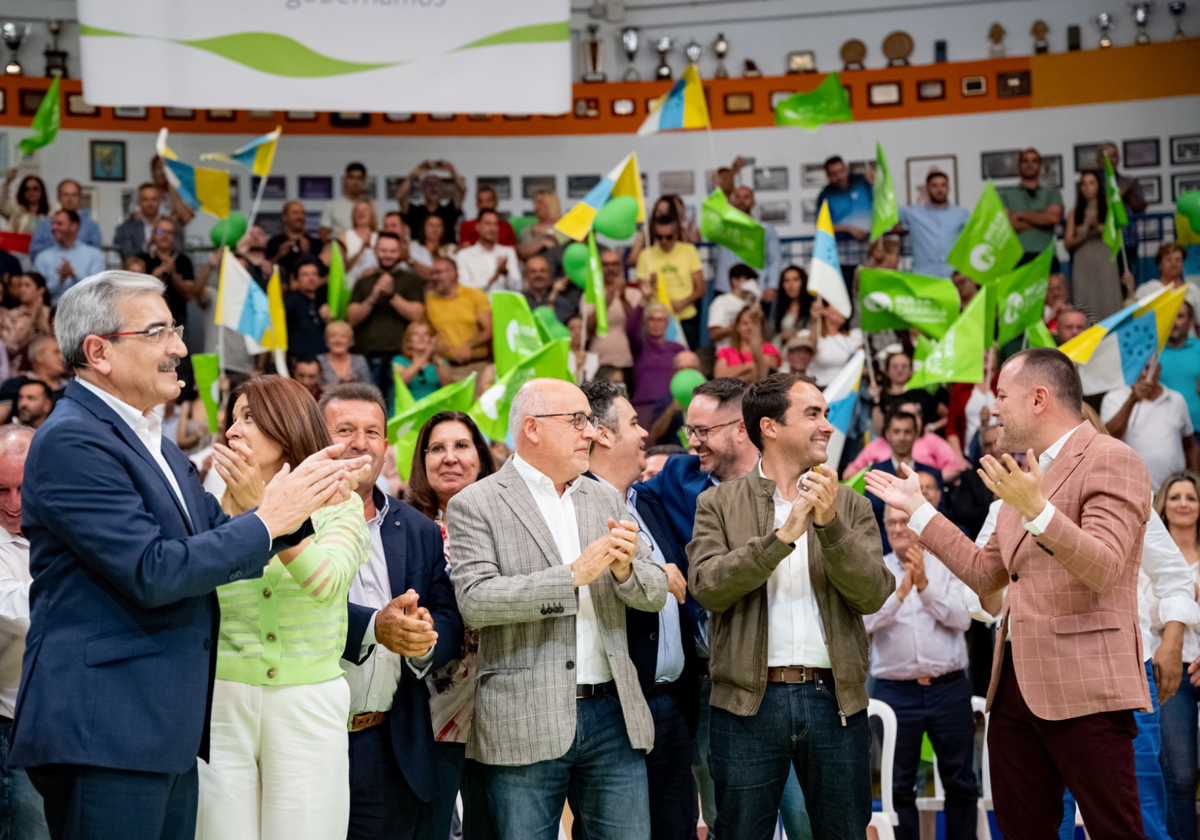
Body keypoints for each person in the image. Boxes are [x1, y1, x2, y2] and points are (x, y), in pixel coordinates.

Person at [12, 271, 364, 839]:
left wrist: (290, 509)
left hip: (165, 728)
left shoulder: (156, 446)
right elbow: (153, 570)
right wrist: (273, 516)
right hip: (108, 725)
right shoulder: (75, 439)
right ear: (99, 351)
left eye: (176, 329)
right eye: (159, 332)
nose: (179, 347)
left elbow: (219, 536)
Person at [865, 347, 1155, 840]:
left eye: (1002, 395)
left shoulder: (1112, 458)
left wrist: (1037, 510)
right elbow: (984, 573)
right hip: (1013, 689)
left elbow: (1104, 568)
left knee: (1116, 831)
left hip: (1086, 688)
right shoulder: (1022, 478)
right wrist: (919, 511)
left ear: (1039, 398)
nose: (993, 408)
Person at [446, 378, 668, 840]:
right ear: (533, 428)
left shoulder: (604, 496)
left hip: (612, 713)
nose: (591, 432)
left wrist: (627, 571)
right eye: (578, 421)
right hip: (524, 713)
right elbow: (475, 600)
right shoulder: (477, 503)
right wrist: (570, 577)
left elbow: (652, 593)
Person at [689, 372, 893, 840]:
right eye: (814, 414)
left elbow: (873, 593)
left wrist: (831, 528)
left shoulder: (851, 506)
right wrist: (781, 539)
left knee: (842, 832)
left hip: (835, 703)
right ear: (770, 427)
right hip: (745, 706)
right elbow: (708, 586)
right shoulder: (717, 503)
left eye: (825, 414)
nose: (828, 426)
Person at [197, 376, 373, 840]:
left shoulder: (340, 506)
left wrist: (265, 511)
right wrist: (247, 512)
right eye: (232, 419)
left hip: (308, 701)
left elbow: (327, 582)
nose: (234, 430)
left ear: (287, 426)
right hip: (221, 702)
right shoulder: (207, 512)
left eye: (250, 418)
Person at [318, 386, 463, 840]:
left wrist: (424, 639)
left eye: (373, 432)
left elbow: (447, 612)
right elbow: (297, 608)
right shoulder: (292, 518)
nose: (361, 442)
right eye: (345, 430)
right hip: (311, 737)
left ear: (386, 446)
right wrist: (373, 628)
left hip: (391, 742)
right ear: (316, 438)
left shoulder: (417, 527)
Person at [633, 377, 760, 834]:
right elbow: (615, 494)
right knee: (726, 811)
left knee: (802, 812)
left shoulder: (788, 484)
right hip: (710, 678)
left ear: (741, 428)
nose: (694, 441)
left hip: (781, 675)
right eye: (691, 430)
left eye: (703, 430)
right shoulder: (676, 477)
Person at [582, 381, 702, 840]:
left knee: (677, 830)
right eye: (633, 422)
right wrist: (655, 573)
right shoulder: (576, 508)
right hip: (619, 710)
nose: (644, 434)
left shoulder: (645, 501)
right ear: (603, 435)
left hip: (673, 703)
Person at [401, 410, 494, 840]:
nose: (449, 457)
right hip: (429, 708)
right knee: (430, 828)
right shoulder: (403, 527)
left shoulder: (507, 523)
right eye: (436, 448)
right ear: (421, 461)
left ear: (481, 455)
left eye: (461, 446)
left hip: (502, 701)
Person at [864, 507, 977, 840]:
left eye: (904, 522)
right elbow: (864, 623)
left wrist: (925, 587)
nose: (897, 529)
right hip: (895, 693)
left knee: (961, 782)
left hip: (949, 688)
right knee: (899, 786)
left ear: (919, 527)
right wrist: (901, 593)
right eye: (891, 524)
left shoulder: (948, 566)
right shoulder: (877, 568)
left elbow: (964, 619)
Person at [0, 425, 49, 840]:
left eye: (23, 487)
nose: (14, 504)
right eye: (1, 490)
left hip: (79, 720)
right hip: (16, 723)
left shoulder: (68, 521)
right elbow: (20, 610)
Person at [1149, 471, 1200, 840]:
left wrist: (1178, 601)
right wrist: (1187, 596)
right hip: (1171, 671)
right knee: (1180, 775)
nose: (1183, 503)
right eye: (1176, 497)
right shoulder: (1151, 553)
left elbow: (1166, 607)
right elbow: (1149, 612)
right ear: (1163, 506)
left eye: (1192, 497)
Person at [348, 232, 426, 408]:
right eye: (383, 250)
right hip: (367, 358)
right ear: (375, 251)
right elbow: (352, 318)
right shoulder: (364, 282)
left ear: (400, 252)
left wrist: (391, 295)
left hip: (400, 359)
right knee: (368, 409)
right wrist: (373, 297)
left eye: (392, 251)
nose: (387, 255)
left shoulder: (412, 280)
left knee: (395, 410)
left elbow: (417, 315)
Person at [1102, 358, 1199, 490]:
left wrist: (1195, 483)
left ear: (1159, 369)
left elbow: (1190, 446)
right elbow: (1108, 437)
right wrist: (1132, 400)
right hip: (1130, 489)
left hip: (1171, 492)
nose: (1143, 373)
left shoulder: (1177, 400)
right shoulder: (1113, 398)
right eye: (1138, 367)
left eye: (1148, 368)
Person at [865, 408, 943, 553]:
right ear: (887, 434)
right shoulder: (875, 472)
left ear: (916, 434)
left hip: (927, 548)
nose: (902, 437)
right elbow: (871, 516)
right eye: (896, 431)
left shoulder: (933, 473)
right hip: (884, 548)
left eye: (907, 432)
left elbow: (940, 514)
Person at [635, 199, 705, 348]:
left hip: (686, 317)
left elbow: (701, 288)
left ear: (676, 234)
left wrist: (684, 302)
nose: (664, 241)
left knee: (687, 360)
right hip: (657, 320)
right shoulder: (645, 255)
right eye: (659, 237)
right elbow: (641, 291)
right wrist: (649, 285)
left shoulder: (688, 250)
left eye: (669, 237)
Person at [1065, 171, 1126, 320]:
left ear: (1099, 186)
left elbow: (1117, 237)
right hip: (1083, 264)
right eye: (1084, 184)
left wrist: (1098, 227)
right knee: (1085, 302)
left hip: (1105, 262)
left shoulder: (1109, 210)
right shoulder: (1074, 213)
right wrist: (1086, 232)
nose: (1088, 187)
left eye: (1092, 183)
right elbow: (1068, 244)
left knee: (1108, 300)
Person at [425, 257, 493, 382]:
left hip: (476, 366)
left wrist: (470, 344)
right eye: (432, 273)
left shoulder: (474, 294)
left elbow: (489, 329)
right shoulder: (430, 299)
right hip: (445, 369)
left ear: (454, 273)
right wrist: (436, 353)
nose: (434, 277)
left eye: (439, 273)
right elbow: (426, 332)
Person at [897, 170, 970, 278]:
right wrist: (878, 186)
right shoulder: (914, 213)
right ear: (927, 189)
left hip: (953, 278)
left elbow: (976, 235)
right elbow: (888, 209)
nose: (939, 190)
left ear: (948, 188)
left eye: (943, 185)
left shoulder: (961, 214)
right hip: (923, 278)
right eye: (934, 186)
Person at [713, 187, 781, 301]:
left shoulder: (765, 229)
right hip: (726, 288)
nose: (741, 201)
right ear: (732, 202)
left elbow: (774, 259)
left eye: (746, 197)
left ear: (753, 202)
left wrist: (772, 285)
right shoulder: (721, 228)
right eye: (737, 197)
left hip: (756, 288)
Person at [998, 148, 1064, 263]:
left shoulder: (1052, 192)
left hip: (1046, 254)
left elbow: (1053, 218)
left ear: (1040, 166)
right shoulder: (1006, 195)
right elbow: (1008, 226)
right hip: (1017, 257)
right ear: (1019, 166)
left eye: (1034, 161)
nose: (1030, 165)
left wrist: (1020, 214)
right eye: (1025, 161)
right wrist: (1042, 219)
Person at [627, 302, 686, 427]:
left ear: (667, 323)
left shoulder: (678, 349)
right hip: (644, 407)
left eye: (661, 320)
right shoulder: (640, 346)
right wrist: (642, 300)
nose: (656, 324)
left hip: (670, 407)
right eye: (652, 319)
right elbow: (631, 329)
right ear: (645, 322)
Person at [33, 210, 104, 306]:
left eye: (59, 224)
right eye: (53, 223)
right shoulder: (43, 257)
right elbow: (36, 293)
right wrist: (59, 281)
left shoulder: (94, 255)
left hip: (86, 311)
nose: (54, 228)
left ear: (74, 226)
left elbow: (98, 289)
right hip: (52, 312)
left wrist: (74, 274)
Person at [816, 156, 873, 273]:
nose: (839, 177)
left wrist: (876, 180)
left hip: (870, 252)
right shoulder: (825, 195)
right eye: (833, 174)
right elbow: (821, 225)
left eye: (841, 171)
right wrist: (849, 229)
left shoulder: (862, 181)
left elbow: (880, 201)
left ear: (846, 169)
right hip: (843, 255)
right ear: (827, 176)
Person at [587, 247, 640, 371]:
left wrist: (623, 298)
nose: (610, 268)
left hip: (626, 359)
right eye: (605, 264)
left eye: (614, 264)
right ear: (600, 267)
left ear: (621, 266)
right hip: (598, 360)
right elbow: (588, 327)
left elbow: (636, 326)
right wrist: (607, 299)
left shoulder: (634, 293)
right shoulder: (590, 294)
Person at [144, 218, 201, 332]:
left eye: (169, 232)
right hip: (148, 319)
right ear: (153, 234)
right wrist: (154, 276)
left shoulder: (184, 261)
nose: (165, 235)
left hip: (177, 319)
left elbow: (189, 294)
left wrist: (173, 273)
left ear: (175, 237)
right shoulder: (143, 260)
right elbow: (137, 292)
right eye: (160, 231)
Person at [27, 180, 102, 261]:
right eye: (65, 195)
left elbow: (95, 255)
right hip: (49, 270)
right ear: (59, 198)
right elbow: (35, 252)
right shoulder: (44, 224)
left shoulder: (91, 226)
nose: (70, 199)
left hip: (82, 272)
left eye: (74, 195)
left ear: (79, 198)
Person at [455, 209, 522, 294]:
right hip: (476, 306)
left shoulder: (508, 252)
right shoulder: (463, 255)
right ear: (478, 226)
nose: (492, 228)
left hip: (503, 305)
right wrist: (491, 280)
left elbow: (518, 288)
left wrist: (506, 273)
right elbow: (464, 288)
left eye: (495, 224)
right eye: (487, 224)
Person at [1161, 303, 1200, 444]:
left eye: (1180, 316)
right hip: (1166, 432)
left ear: (1190, 322)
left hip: (1198, 430)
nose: (1174, 322)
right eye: (1170, 316)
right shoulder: (1151, 352)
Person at [398, 162, 465, 245]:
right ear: (422, 190)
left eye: (436, 185)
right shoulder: (414, 211)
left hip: (446, 252)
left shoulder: (449, 210)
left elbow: (462, 191)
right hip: (419, 252)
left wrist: (452, 172)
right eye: (429, 185)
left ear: (442, 190)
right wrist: (412, 175)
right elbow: (400, 196)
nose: (433, 188)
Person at [801, 297, 862, 388]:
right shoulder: (807, 335)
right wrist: (814, 322)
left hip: (845, 391)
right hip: (818, 389)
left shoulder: (854, 336)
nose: (844, 310)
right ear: (824, 310)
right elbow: (809, 350)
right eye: (839, 306)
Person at [114, 182, 182, 260]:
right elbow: (126, 253)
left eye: (154, 199)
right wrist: (148, 245)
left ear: (159, 201)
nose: (150, 204)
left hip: (166, 267)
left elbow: (179, 249)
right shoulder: (127, 227)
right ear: (139, 202)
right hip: (138, 270)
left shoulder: (171, 224)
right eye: (145, 199)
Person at [0, 272, 52, 374]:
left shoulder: (50, 313)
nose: (22, 290)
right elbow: (12, 346)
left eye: (27, 285)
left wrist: (39, 313)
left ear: (40, 290)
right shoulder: (11, 314)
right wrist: (32, 316)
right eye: (20, 286)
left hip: (47, 367)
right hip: (18, 369)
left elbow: (51, 340)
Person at [714, 305, 780, 383]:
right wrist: (749, 365)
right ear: (737, 327)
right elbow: (719, 376)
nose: (749, 327)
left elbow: (765, 372)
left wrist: (736, 375)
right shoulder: (725, 352)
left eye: (753, 323)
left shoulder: (769, 348)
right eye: (745, 323)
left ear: (759, 327)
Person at [268, 200, 324, 284]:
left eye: (302, 213)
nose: (300, 217)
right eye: (295, 213)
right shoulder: (275, 242)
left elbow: (322, 272)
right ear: (285, 217)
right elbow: (265, 269)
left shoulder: (316, 243)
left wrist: (307, 254)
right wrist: (279, 255)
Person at [285, 256, 330, 357]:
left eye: (314, 274)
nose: (311, 278)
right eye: (305, 274)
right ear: (296, 279)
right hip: (298, 362)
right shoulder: (290, 302)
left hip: (320, 361)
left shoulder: (321, 304)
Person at [708, 264, 761, 347]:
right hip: (728, 351)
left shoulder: (753, 303)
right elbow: (713, 334)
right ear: (735, 281)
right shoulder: (721, 301)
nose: (752, 284)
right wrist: (737, 326)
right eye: (748, 280)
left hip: (750, 351)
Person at [1137, 244, 1200, 313]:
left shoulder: (1192, 290)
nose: (1173, 263)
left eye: (1178, 260)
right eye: (1168, 259)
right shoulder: (1146, 290)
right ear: (1160, 264)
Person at [392, 321, 443, 403]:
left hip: (434, 410)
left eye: (425, 334)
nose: (421, 337)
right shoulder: (399, 360)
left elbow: (448, 386)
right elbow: (401, 381)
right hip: (407, 410)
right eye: (416, 334)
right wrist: (426, 355)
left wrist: (436, 355)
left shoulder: (439, 362)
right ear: (408, 341)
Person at [320, 162, 372, 241]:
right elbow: (323, 234)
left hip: (363, 250)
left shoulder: (369, 206)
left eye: (359, 178)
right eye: (351, 177)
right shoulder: (331, 205)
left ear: (364, 181)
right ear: (345, 179)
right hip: (339, 249)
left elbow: (374, 230)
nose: (355, 182)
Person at [517, 190, 566, 270]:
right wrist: (542, 243)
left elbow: (568, 245)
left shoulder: (565, 227)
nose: (535, 207)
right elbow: (522, 253)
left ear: (551, 204)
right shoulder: (529, 229)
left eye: (540, 202)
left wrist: (549, 232)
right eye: (534, 203)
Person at [318, 320, 371, 388]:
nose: (338, 340)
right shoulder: (319, 361)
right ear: (327, 341)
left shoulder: (360, 360)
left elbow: (366, 388)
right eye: (333, 336)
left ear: (350, 341)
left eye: (343, 336)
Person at [338, 200, 381, 281]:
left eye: (365, 210)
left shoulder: (379, 237)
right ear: (353, 215)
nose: (360, 213)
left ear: (371, 214)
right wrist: (361, 249)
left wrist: (370, 248)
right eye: (357, 210)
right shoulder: (344, 236)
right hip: (351, 283)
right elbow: (343, 267)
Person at [772, 266, 811, 346]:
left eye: (795, 280)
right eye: (786, 281)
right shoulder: (777, 309)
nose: (791, 285)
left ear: (803, 282)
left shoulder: (812, 307)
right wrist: (782, 336)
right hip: (784, 354)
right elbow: (771, 338)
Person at [0, 171, 48, 236]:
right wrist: (7, 183)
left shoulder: (48, 217)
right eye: (26, 189)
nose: (31, 192)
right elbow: (2, 205)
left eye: (35, 189)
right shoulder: (15, 211)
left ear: (42, 192)